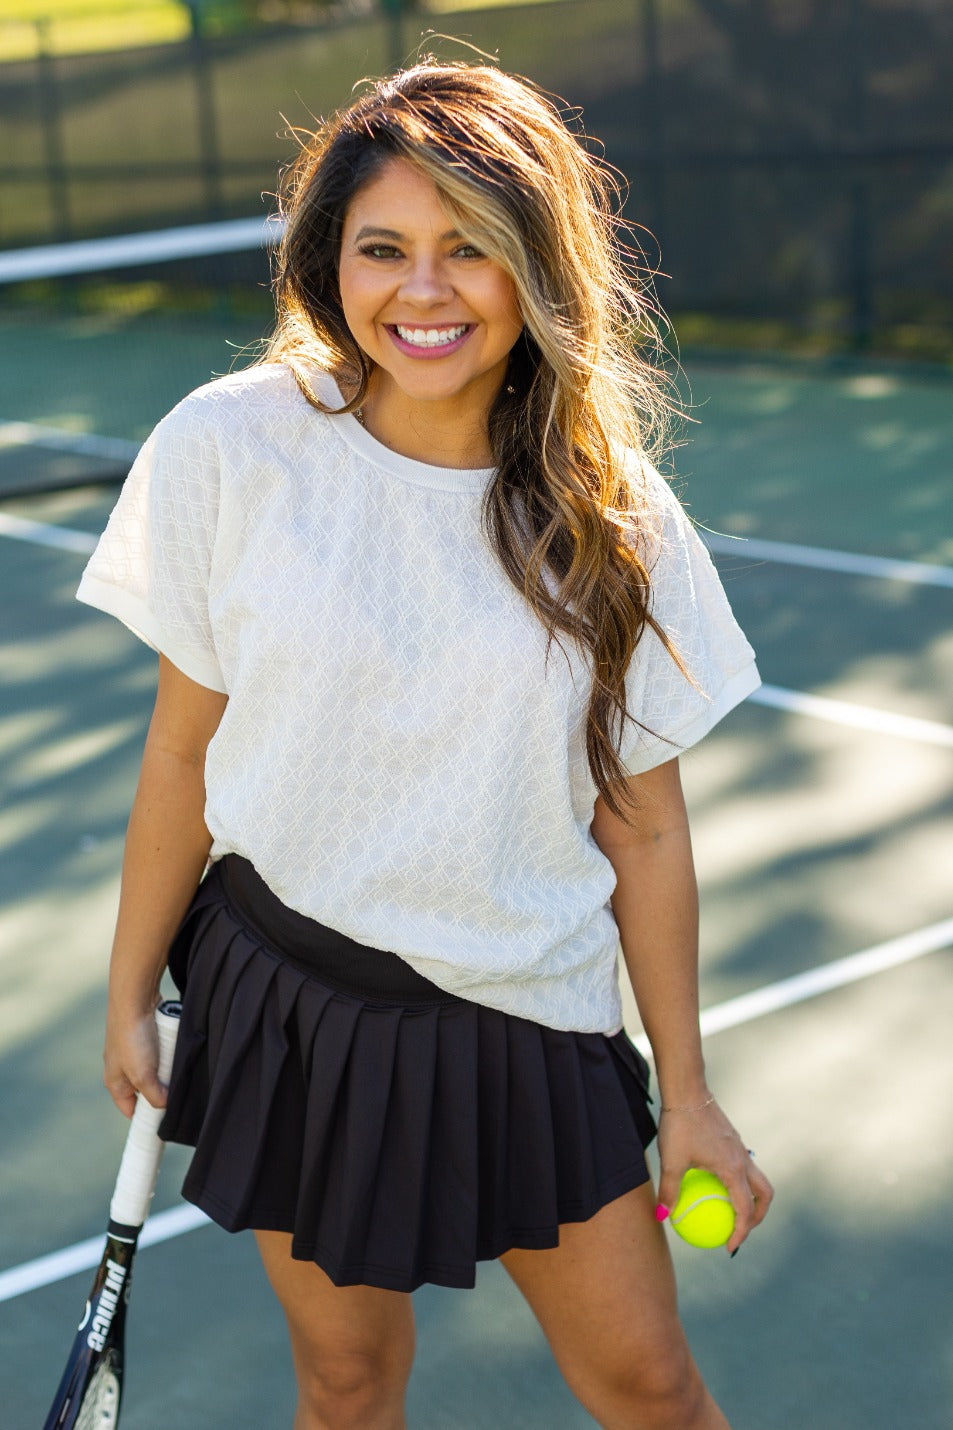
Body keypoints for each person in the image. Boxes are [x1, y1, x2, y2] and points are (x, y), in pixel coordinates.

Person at [77, 60, 773, 1430]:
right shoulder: (234, 448)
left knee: (649, 1385)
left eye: (471, 248)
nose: (423, 290)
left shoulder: (615, 521)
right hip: (292, 995)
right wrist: (126, 987)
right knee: (345, 1383)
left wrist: (686, 1096)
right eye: (381, 248)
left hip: (533, 1018)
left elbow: (643, 826)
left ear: (536, 267)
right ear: (325, 261)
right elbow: (179, 755)